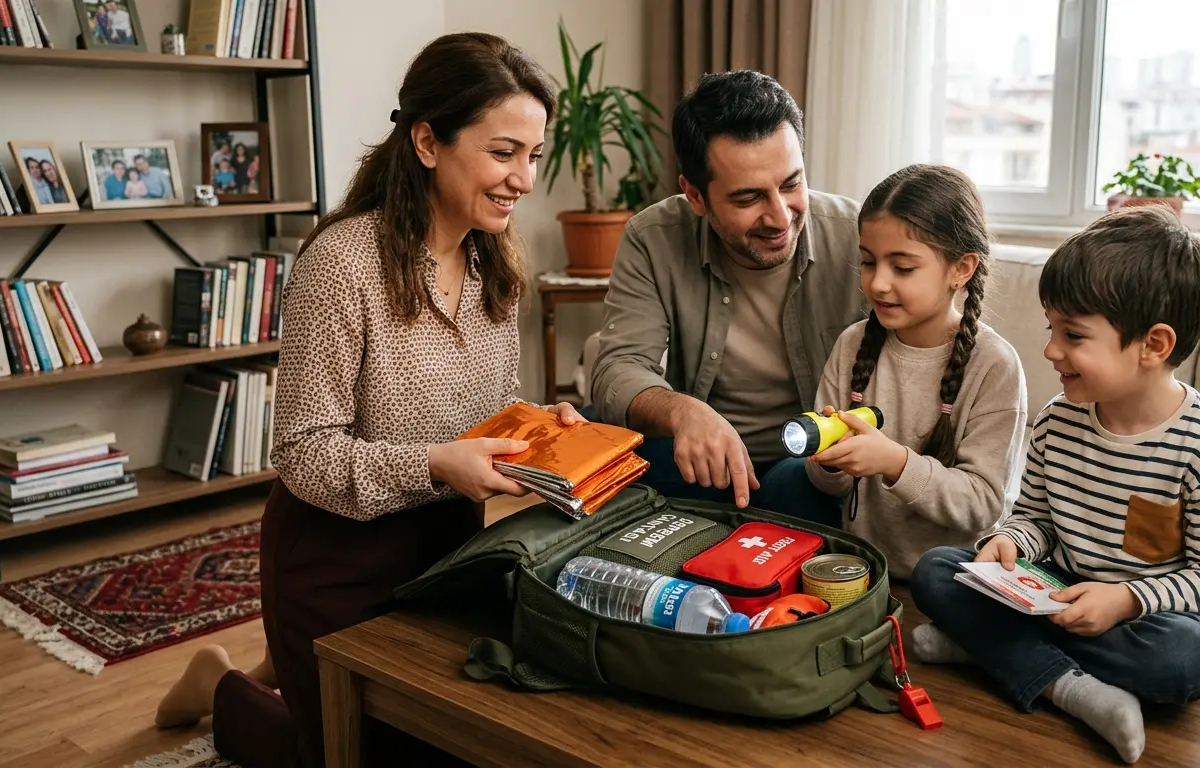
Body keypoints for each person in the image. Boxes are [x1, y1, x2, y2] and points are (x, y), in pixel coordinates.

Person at [152, 32, 579, 768]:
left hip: (449, 552)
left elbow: (486, 400)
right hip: (335, 558)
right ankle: (220, 683)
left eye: (534, 155)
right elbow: (301, 453)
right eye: (504, 152)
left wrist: (542, 425)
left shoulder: (495, 263)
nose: (525, 179)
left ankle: (285, 663)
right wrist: (435, 465)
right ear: (428, 142)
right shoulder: (341, 265)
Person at [908, 205, 1200, 765]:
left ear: (1154, 345)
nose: (1051, 350)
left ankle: (992, 650)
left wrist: (1126, 599)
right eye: (1052, 328)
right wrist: (1010, 542)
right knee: (937, 570)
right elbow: (1037, 519)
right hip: (1060, 594)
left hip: (1149, 619)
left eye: (1073, 335)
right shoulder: (1057, 421)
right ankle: (1070, 687)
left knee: (1187, 660)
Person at [589, 70, 864, 521]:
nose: (780, 217)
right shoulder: (653, 237)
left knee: (794, 487)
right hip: (703, 463)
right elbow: (617, 369)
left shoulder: (857, 236)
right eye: (748, 199)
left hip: (813, 466)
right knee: (603, 459)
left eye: (791, 184)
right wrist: (683, 412)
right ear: (695, 196)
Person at [801, 164, 1028, 568]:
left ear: (961, 269)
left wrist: (895, 462)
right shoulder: (853, 343)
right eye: (868, 262)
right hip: (866, 561)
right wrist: (830, 461)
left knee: (934, 574)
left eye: (902, 267)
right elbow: (829, 487)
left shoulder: (995, 364)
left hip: (952, 569)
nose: (878, 283)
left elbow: (982, 505)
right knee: (787, 481)